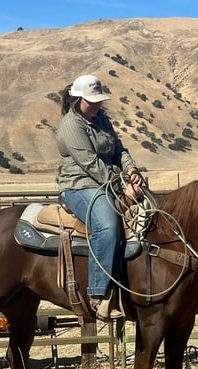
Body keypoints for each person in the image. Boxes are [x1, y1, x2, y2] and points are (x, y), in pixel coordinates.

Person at [55, 74, 145, 321]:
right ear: (77, 99)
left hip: (107, 183)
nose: (96, 106)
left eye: (98, 101)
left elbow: (119, 150)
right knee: (107, 226)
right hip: (80, 186)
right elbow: (91, 164)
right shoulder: (71, 126)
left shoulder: (102, 120)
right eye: (90, 102)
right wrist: (122, 186)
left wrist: (132, 170)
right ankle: (98, 295)